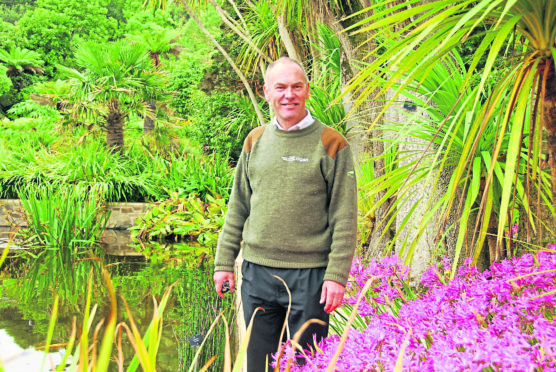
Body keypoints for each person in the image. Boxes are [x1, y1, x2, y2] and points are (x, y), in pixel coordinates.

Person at [213, 56, 357, 372]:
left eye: (296, 86)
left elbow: (344, 217)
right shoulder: (255, 140)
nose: (288, 95)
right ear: (266, 92)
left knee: (308, 365)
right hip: (257, 274)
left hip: (311, 277)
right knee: (258, 365)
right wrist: (224, 263)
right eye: (280, 87)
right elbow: (238, 207)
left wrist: (336, 276)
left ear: (307, 91)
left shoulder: (332, 144)